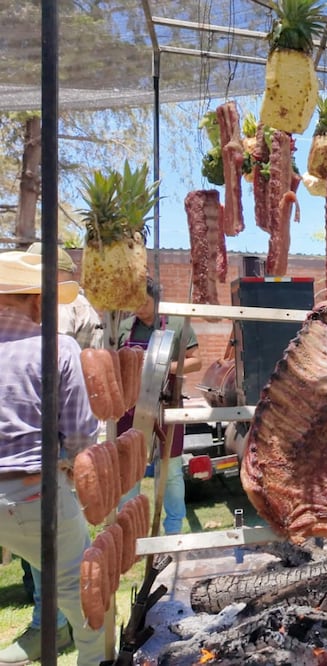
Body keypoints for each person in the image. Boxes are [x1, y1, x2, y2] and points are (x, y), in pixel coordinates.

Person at [2, 244, 106, 666]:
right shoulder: (56, 347)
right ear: (34, 299)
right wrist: (70, 463)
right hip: (33, 495)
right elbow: (82, 434)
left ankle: (42, 634)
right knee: (83, 595)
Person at [116, 277, 200, 535]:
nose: (139, 308)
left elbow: (196, 361)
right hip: (130, 409)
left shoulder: (177, 323)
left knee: (171, 470)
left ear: (157, 300)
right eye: (135, 302)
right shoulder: (125, 326)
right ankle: (131, 532)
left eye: (145, 301)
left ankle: (173, 531)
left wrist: (160, 368)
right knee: (131, 470)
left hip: (166, 406)